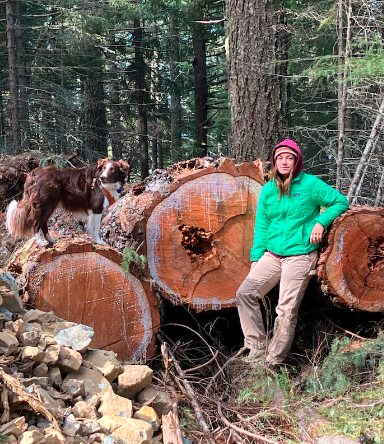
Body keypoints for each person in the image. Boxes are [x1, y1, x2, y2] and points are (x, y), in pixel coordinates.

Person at [236, 139, 349, 370]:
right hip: (273, 255)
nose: (284, 161)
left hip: (300, 255)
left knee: (285, 309)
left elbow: (340, 202)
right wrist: (256, 257)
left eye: (289, 157)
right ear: (274, 162)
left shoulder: (310, 184)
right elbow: (262, 226)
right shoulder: (268, 189)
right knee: (245, 293)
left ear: (296, 161)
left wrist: (321, 221)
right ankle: (257, 348)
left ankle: (273, 361)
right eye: (280, 158)